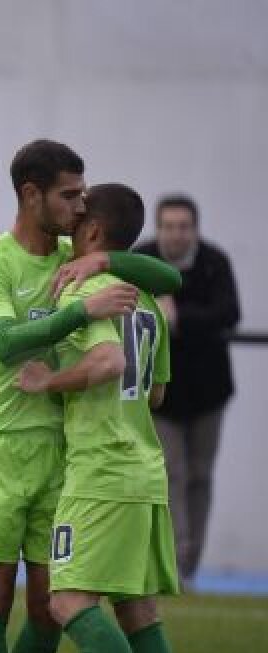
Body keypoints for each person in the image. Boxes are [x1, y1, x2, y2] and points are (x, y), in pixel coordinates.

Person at [0, 139, 181, 653]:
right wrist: (82, 309)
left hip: (64, 455)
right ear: (32, 195)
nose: (80, 204)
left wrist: (108, 259)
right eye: (69, 194)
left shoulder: (77, 255)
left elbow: (168, 280)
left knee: (50, 602)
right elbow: (3, 343)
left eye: (84, 196)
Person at [17, 182, 178, 653]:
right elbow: (156, 392)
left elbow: (107, 362)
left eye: (79, 215)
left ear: (91, 232)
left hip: (101, 471)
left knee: (66, 599)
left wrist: (47, 382)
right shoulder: (147, 304)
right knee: (139, 611)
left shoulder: (91, 291)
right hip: (144, 468)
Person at [135, 196, 241, 587]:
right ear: (158, 228)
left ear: (195, 229)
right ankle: (174, 563)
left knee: (201, 476)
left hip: (209, 392)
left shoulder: (214, 262)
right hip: (160, 393)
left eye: (184, 226)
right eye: (169, 226)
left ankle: (191, 564)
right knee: (171, 474)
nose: (177, 234)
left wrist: (179, 317)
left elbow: (229, 311)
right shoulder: (141, 260)